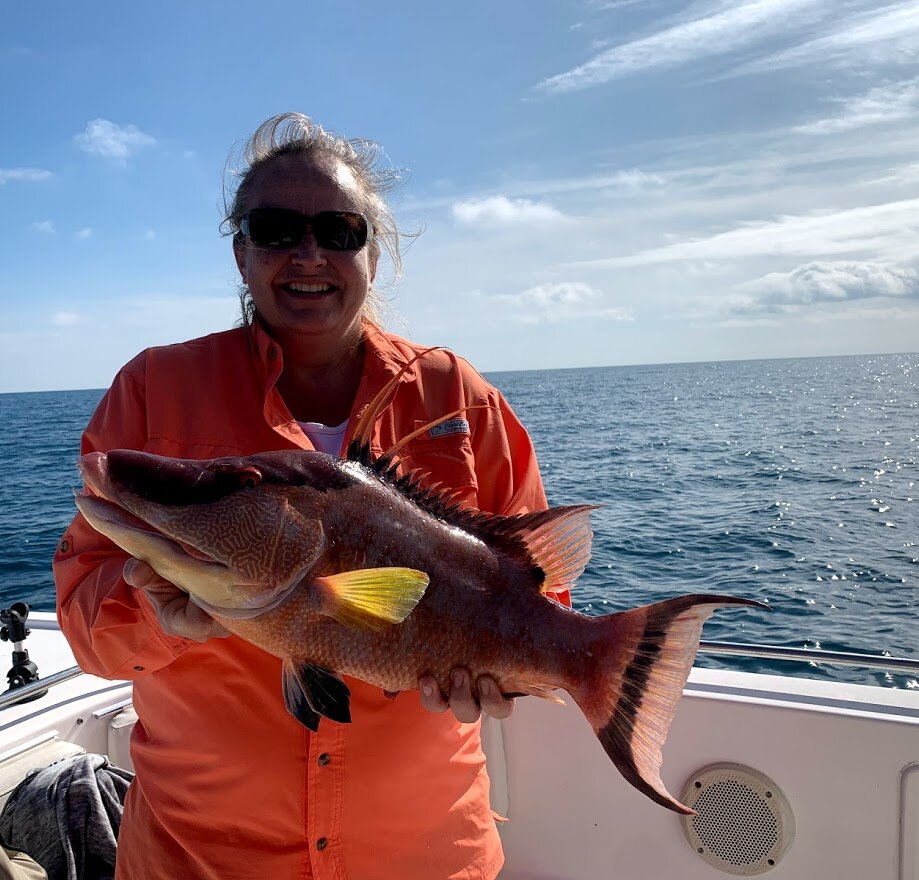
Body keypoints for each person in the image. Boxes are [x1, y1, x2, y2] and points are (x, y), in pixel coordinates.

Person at [53, 112, 566, 880]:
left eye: (338, 230)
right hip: (203, 857)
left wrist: (498, 670)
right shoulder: (153, 390)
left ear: (374, 251)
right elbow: (88, 632)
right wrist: (161, 617)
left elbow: (537, 586)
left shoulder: (458, 397)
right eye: (275, 228)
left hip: (424, 853)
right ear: (241, 251)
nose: (307, 254)